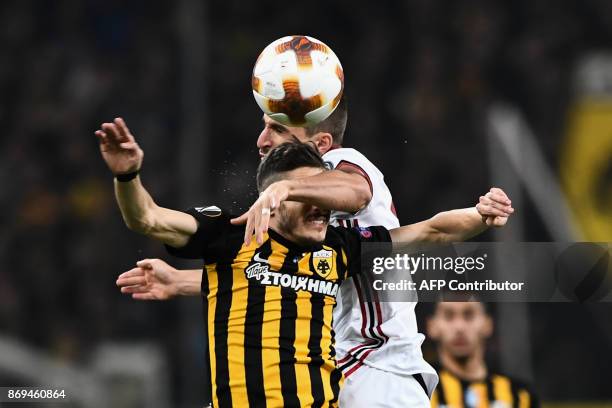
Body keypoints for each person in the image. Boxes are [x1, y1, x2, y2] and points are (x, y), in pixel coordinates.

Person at [96, 96, 513, 406]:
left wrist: (480, 214)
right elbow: (246, 269)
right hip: (338, 374)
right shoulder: (245, 235)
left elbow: (399, 216)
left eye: (276, 130)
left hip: (378, 368)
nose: (262, 140)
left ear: (323, 146)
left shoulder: (344, 172)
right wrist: (184, 278)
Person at [427, 298, 539, 407]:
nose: (459, 327)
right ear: (432, 326)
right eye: (448, 316)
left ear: (487, 324)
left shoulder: (521, 396)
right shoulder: (418, 389)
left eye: (468, 315)